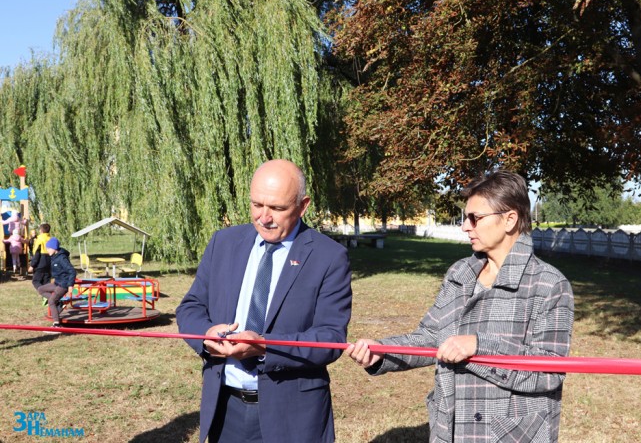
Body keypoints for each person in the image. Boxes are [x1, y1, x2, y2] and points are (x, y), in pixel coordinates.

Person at [346, 170, 574, 443]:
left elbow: (549, 372)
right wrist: (382, 354)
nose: (465, 226)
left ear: (510, 219)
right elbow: (431, 338)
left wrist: (479, 346)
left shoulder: (549, 285)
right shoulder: (460, 273)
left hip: (512, 435)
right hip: (451, 430)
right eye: (466, 218)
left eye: (475, 218)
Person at [176, 159, 352, 443]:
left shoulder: (328, 257)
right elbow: (191, 306)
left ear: (302, 205)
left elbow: (330, 337)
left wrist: (264, 347)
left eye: (277, 208)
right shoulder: (223, 243)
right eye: (257, 205)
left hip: (292, 414)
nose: (264, 217)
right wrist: (205, 335)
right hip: (225, 407)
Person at [37, 237, 76, 328]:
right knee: (40, 289)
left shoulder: (62, 258)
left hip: (64, 284)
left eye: (48, 248)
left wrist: (70, 285)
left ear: (54, 248)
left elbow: (72, 271)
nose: (47, 250)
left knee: (51, 301)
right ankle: (59, 304)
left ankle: (56, 324)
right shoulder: (54, 256)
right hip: (57, 282)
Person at [29, 224, 52, 290]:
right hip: (49, 262)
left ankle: (44, 293)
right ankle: (48, 297)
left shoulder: (39, 239)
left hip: (41, 261)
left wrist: (32, 265)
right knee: (46, 282)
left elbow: (37, 254)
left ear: (41, 231)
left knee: (36, 281)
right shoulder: (51, 239)